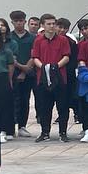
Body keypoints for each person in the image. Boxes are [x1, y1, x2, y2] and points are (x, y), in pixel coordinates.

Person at [30, 14, 71, 142]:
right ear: (43, 25)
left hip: (60, 77)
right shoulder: (38, 40)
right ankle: (45, 132)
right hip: (43, 78)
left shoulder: (63, 40)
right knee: (44, 107)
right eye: (49, 24)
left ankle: (63, 133)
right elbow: (35, 57)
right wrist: (43, 67)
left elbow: (66, 56)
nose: (52, 26)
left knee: (63, 106)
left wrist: (55, 67)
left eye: (53, 23)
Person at [8, 9, 36, 137]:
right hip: (11, 73)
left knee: (25, 100)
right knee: (12, 100)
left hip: (28, 73)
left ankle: (22, 126)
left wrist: (25, 71)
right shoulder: (9, 38)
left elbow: (34, 55)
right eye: (16, 21)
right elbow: (10, 58)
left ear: (25, 21)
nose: (19, 23)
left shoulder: (32, 38)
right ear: (12, 22)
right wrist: (18, 67)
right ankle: (10, 126)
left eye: (21, 21)